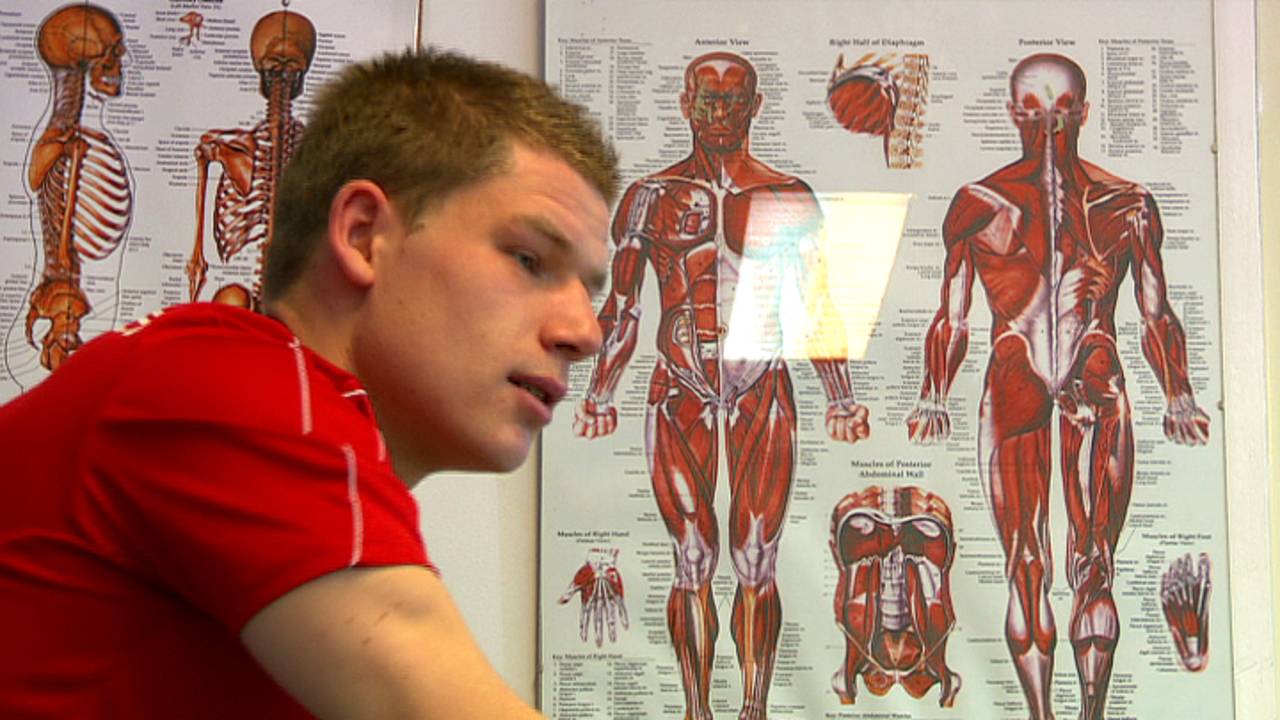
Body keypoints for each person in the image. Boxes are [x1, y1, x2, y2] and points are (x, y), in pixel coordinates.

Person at [0, 48, 618, 719]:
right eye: (529, 259)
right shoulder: (224, 381)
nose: (585, 332)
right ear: (363, 235)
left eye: (588, 291)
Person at [906, 53, 1209, 720]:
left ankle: (1091, 712)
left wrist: (1178, 393)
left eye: (1063, 110)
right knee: (1025, 563)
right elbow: (952, 313)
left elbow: (1156, 311)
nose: (1049, 125)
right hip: (1015, 373)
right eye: (1035, 110)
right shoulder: (977, 204)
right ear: (1013, 114)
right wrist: (933, 391)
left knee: (1095, 561)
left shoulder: (1128, 204)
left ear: (1085, 113)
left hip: (1094, 374)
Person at [573, 51, 870, 720]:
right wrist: (600, 392)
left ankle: (754, 708)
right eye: (707, 98)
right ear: (686, 104)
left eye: (734, 100)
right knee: (692, 557)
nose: (719, 113)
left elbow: (815, 302)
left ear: (755, 107)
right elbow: (622, 306)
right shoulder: (650, 197)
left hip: (761, 385)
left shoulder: (785, 195)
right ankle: (697, 711)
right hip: (679, 388)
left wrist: (841, 397)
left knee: (756, 557)